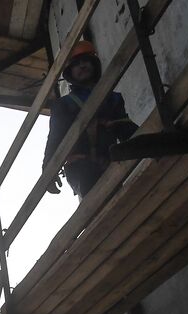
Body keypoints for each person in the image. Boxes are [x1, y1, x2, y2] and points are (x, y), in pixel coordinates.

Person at [43, 41, 138, 198]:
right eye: (76, 64)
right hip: (81, 167)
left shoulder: (112, 98)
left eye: (85, 61)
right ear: (69, 72)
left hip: (109, 162)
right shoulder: (63, 104)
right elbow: (55, 138)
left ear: (94, 64)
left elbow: (126, 130)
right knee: (93, 189)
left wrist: (152, 137)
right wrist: (48, 171)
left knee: (120, 197)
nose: (82, 66)